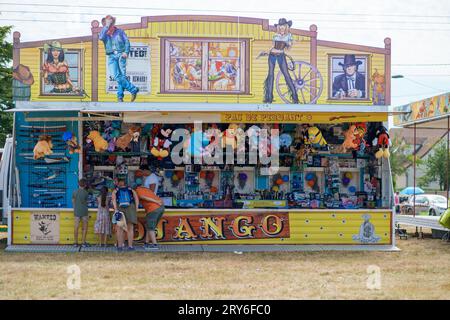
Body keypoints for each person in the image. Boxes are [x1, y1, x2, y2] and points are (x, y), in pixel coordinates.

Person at [99, 15, 139, 102]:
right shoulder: (104, 33)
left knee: (122, 76)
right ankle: (133, 89)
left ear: (113, 23)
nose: (108, 26)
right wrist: (106, 26)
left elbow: (127, 42)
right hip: (111, 56)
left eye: (110, 24)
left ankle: (120, 97)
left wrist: (126, 52)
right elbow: (100, 37)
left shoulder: (120, 31)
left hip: (121, 55)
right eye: (106, 25)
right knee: (116, 76)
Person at [263, 18, 299, 104]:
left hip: (281, 55)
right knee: (270, 75)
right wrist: (267, 52)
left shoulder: (289, 36)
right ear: (278, 27)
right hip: (272, 55)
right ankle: (269, 98)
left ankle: (295, 97)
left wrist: (288, 43)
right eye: (280, 26)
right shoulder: (275, 35)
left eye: (283, 26)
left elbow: (289, 48)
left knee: (286, 74)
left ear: (286, 26)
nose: (282, 27)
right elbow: (273, 46)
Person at [111, 179, 139, 251]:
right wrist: (136, 209)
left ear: (119, 183)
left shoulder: (115, 190)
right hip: (131, 208)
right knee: (130, 228)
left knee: (119, 228)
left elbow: (113, 200)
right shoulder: (131, 190)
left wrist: (116, 209)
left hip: (120, 208)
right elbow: (136, 199)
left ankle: (120, 247)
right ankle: (130, 246)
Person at [135, 183, 165, 250]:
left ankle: (155, 245)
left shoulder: (138, 190)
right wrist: (157, 201)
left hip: (153, 209)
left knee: (150, 228)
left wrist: (156, 201)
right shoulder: (147, 189)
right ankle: (146, 243)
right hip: (161, 208)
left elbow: (143, 197)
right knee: (150, 227)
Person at [72, 179, 89, 247]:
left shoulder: (74, 192)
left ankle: (75, 243)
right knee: (84, 227)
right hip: (84, 211)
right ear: (85, 185)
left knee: (76, 227)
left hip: (77, 211)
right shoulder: (86, 193)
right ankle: (83, 242)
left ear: (78, 184)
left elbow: (73, 201)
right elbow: (86, 202)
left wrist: (75, 209)